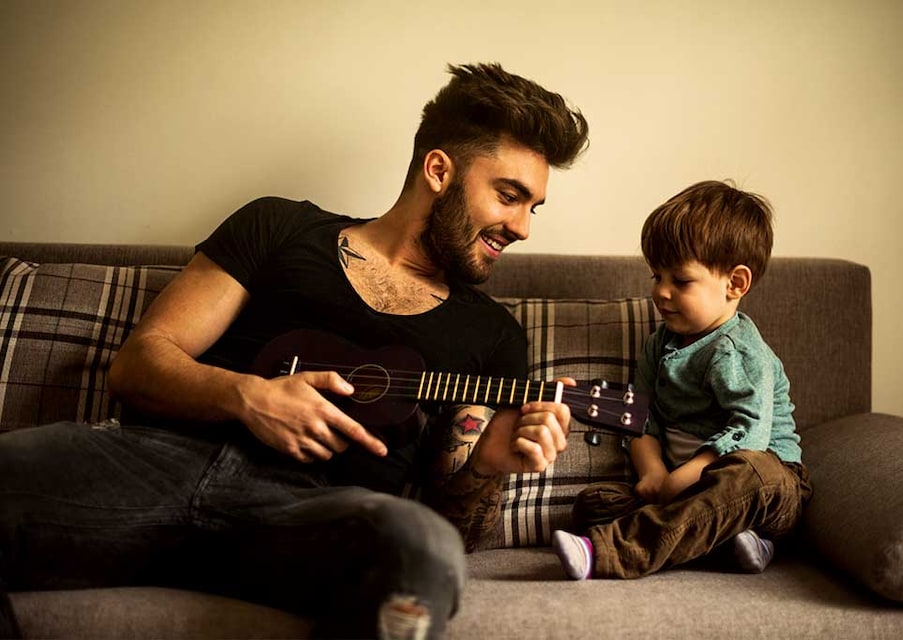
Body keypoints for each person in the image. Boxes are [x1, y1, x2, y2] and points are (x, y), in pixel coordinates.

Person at [0, 62, 589, 639]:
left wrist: (485, 463)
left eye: (532, 207)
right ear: (439, 170)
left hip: (317, 514)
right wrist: (247, 397)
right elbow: (140, 363)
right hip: (154, 462)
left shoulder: (496, 336)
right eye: (509, 196)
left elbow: (452, 531)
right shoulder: (278, 226)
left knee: (425, 553)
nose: (522, 227)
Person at [552, 180, 812, 580]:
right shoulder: (661, 344)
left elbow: (749, 435)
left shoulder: (737, 350)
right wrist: (654, 472)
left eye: (681, 280)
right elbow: (640, 415)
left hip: (765, 485)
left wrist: (687, 478)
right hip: (684, 484)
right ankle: (730, 542)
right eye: (656, 276)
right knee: (595, 504)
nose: (661, 292)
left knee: (748, 476)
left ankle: (605, 552)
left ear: (735, 284)